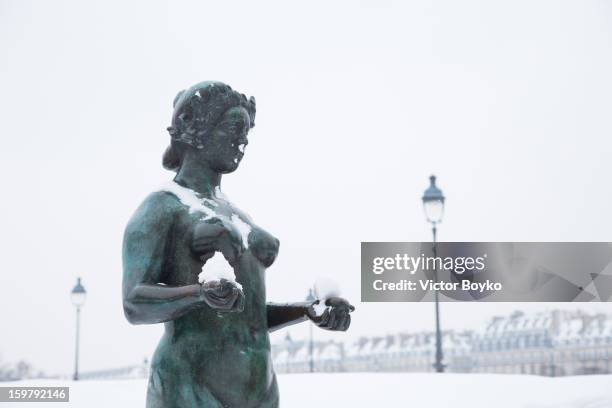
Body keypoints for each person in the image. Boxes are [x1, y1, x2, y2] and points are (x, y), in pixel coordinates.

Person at [122, 81, 354, 407]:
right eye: (233, 128)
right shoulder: (162, 207)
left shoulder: (237, 215)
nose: (242, 140)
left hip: (259, 387)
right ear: (197, 129)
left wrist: (309, 311)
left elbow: (247, 318)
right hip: (191, 384)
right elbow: (134, 303)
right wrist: (200, 294)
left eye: (246, 132)